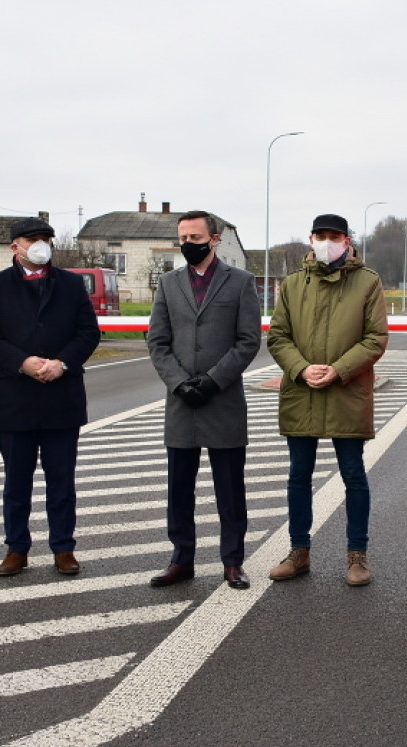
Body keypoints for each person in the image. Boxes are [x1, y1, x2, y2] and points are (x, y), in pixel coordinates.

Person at [0, 217, 100, 577]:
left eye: (46, 238)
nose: (41, 244)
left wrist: (63, 363)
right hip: (16, 399)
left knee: (62, 481)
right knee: (16, 481)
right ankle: (16, 548)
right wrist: (21, 362)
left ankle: (63, 548)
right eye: (33, 239)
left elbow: (88, 333)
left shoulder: (72, 285)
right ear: (16, 246)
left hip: (62, 397)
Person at [267, 214, 388, 586]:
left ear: (347, 241)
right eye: (320, 235)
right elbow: (278, 336)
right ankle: (299, 552)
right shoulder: (291, 284)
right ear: (311, 238)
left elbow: (375, 337)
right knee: (298, 476)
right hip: (302, 391)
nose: (326, 242)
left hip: (346, 391)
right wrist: (301, 369)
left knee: (354, 476)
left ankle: (357, 556)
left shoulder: (368, 282)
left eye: (333, 236)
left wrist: (338, 370)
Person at [147, 210, 261, 590]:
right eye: (183, 238)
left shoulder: (241, 282)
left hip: (223, 400)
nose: (188, 245)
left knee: (230, 490)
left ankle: (232, 562)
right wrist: (179, 383)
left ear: (214, 240)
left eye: (195, 238)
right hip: (181, 404)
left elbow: (248, 341)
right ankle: (182, 559)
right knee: (179, 490)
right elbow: (157, 341)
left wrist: (213, 381)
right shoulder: (167, 283)